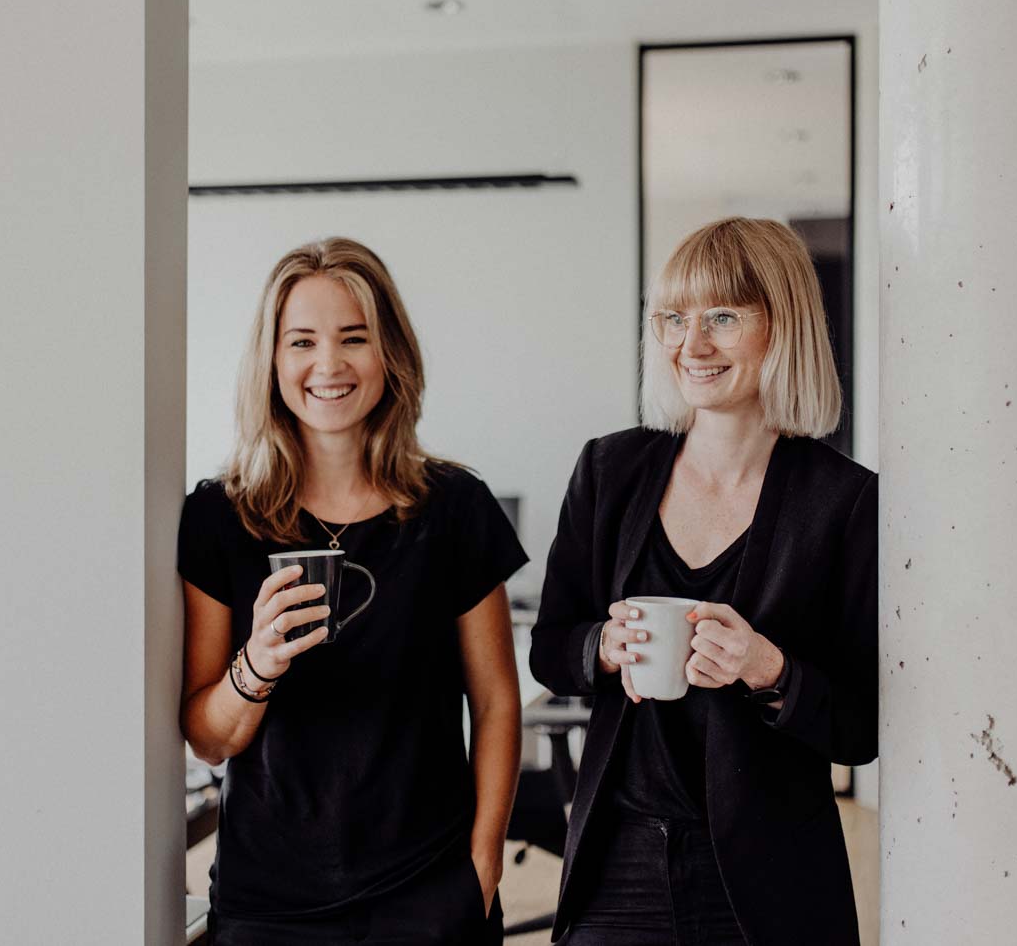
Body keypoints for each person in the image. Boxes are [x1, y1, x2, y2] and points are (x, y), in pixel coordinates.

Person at [530, 217, 877, 945]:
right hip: (616, 859)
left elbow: (861, 726)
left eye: (722, 317)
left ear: (781, 327)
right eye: (673, 320)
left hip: (766, 875)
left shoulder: (844, 500)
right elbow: (551, 649)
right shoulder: (609, 471)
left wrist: (769, 669)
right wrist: (603, 645)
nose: (692, 345)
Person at [179, 237, 525, 945]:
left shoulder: (454, 508)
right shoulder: (220, 516)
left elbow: (495, 703)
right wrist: (258, 664)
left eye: (354, 338)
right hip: (270, 901)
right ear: (272, 361)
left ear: (389, 353)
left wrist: (482, 867)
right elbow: (208, 739)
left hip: (427, 889)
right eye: (301, 341)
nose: (328, 365)